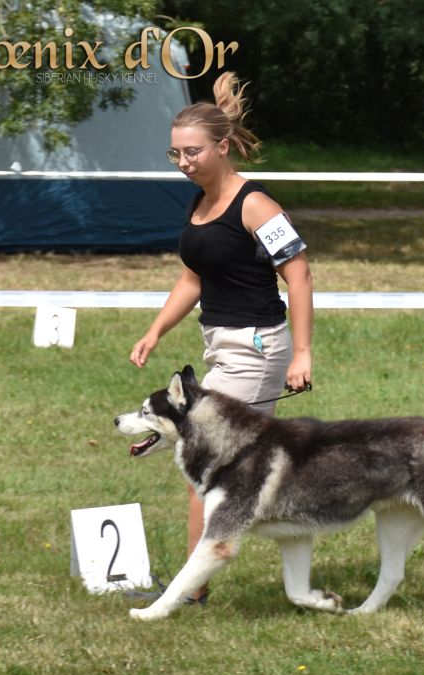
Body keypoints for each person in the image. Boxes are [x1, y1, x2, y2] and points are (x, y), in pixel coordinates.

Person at [129, 71, 314, 604]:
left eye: (193, 153)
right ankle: (297, 536)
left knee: (205, 469)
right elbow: (194, 276)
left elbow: (298, 274)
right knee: (241, 472)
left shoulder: (254, 204)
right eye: (175, 154)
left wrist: (301, 353)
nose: (184, 163)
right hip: (224, 347)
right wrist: (156, 330)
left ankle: (192, 591)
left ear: (223, 146)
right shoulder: (200, 201)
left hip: (257, 349)